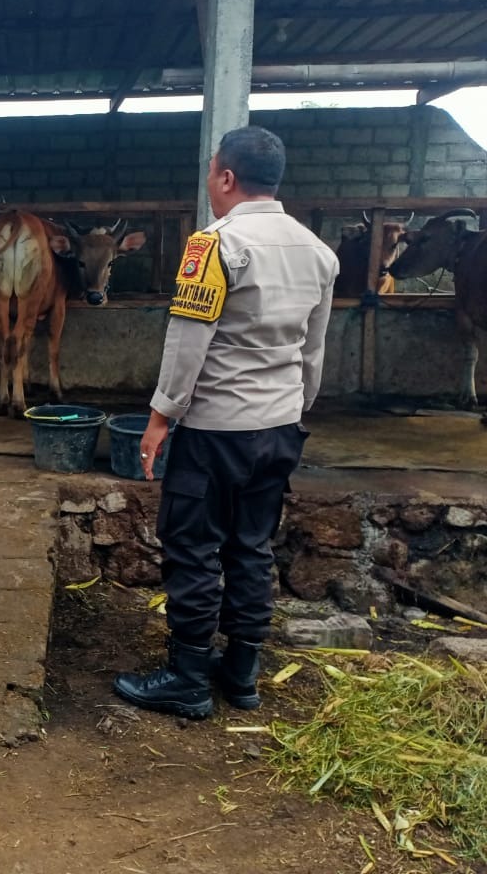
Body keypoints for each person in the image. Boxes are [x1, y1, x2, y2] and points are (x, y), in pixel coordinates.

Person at [113, 125, 338, 720]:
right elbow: (312, 350)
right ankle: (241, 673)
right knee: (252, 547)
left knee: (192, 546)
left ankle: (187, 676)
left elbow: (188, 341)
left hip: (216, 431)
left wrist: (161, 415)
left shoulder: (212, 247)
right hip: (281, 427)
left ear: (227, 177)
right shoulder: (319, 253)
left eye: (212, 172)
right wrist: (295, 405)